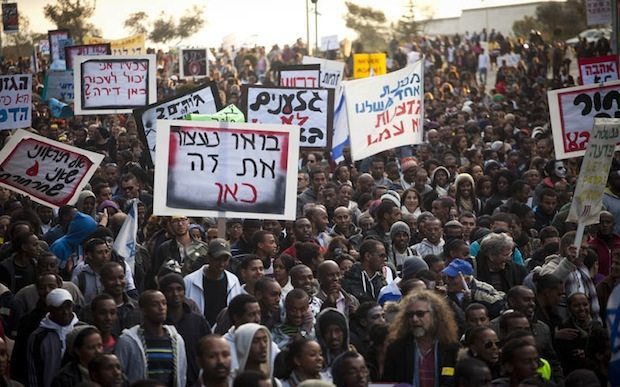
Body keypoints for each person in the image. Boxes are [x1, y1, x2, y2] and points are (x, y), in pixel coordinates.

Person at [382, 290, 459, 384]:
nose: (414, 319)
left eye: (420, 314)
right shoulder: (397, 349)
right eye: (410, 315)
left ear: (434, 315)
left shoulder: (451, 348)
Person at [115, 290, 187, 386]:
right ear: (144, 310)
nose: (161, 308)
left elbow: (181, 375)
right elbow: (120, 375)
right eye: (155, 304)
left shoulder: (176, 340)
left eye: (164, 303)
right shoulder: (128, 341)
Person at [159, 273, 212, 386]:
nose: (175, 294)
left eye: (179, 289)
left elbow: (209, 348)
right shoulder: (159, 322)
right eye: (170, 290)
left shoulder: (197, 321)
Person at [27, 288, 80, 387]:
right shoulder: (39, 336)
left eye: (68, 307)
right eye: (60, 308)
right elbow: (33, 371)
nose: (65, 312)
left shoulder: (81, 330)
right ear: (49, 309)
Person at [184, 238, 242, 326]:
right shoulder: (189, 281)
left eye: (225, 259)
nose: (221, 264)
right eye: (218, 259)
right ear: (208, 257)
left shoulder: (233, 281)